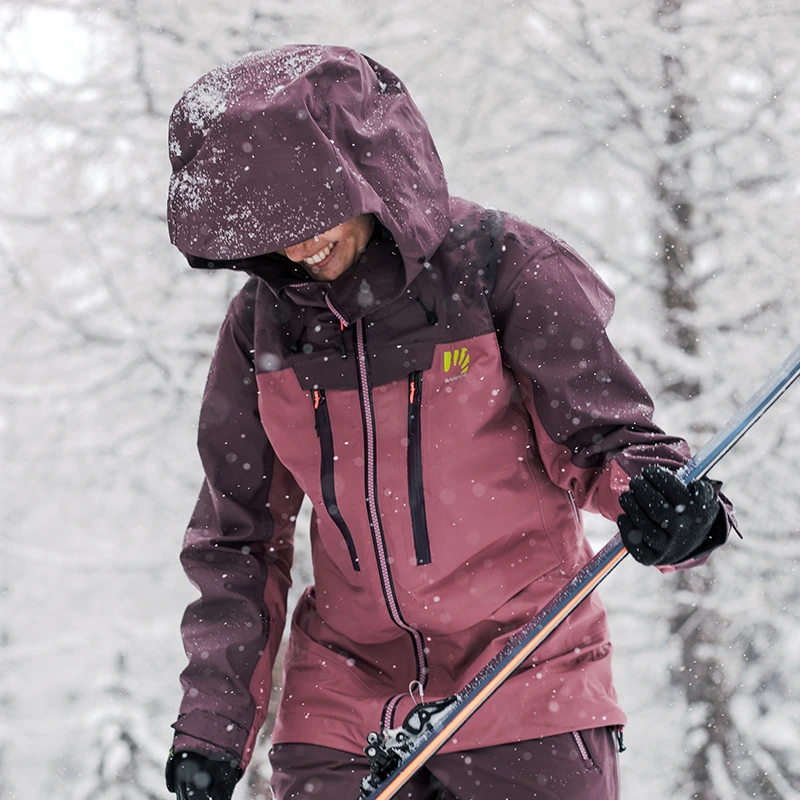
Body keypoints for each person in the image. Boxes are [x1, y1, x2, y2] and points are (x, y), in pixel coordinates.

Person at [163, 45, 735, 800]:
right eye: (273, 225)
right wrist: (212, 724)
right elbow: (236, 536)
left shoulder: (503, 270)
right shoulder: (261, 330)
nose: (299, 245)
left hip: (528, 682)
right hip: (341, 708)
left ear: (364, 168)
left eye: (312, 213)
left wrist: (672, 508)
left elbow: (608, 442)